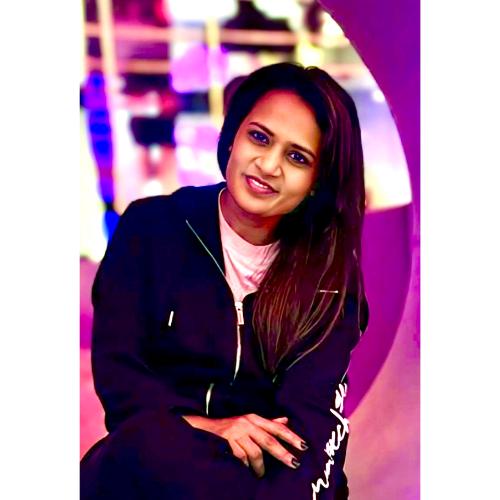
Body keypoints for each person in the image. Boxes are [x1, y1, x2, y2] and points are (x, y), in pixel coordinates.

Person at [80, 62, 369, 499]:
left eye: (297, 157)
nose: (268, 165)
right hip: (153, 464)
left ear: (317, 182)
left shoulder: (329, 278)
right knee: (134, 453)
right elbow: (124, 385)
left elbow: (311, 434)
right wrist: (209, 427)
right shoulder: (151, 229)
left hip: (264, 482)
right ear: (232, 136)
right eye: (259, 137)